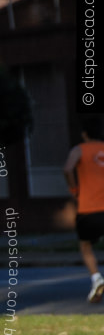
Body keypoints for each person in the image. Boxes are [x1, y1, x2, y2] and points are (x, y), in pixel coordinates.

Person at [63, 120, 104, 303]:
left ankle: (96, 278)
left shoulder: (79, 150)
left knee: (86, 246)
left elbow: (68, 168)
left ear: (85, 134)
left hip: (88, 207)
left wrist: (74, 190)